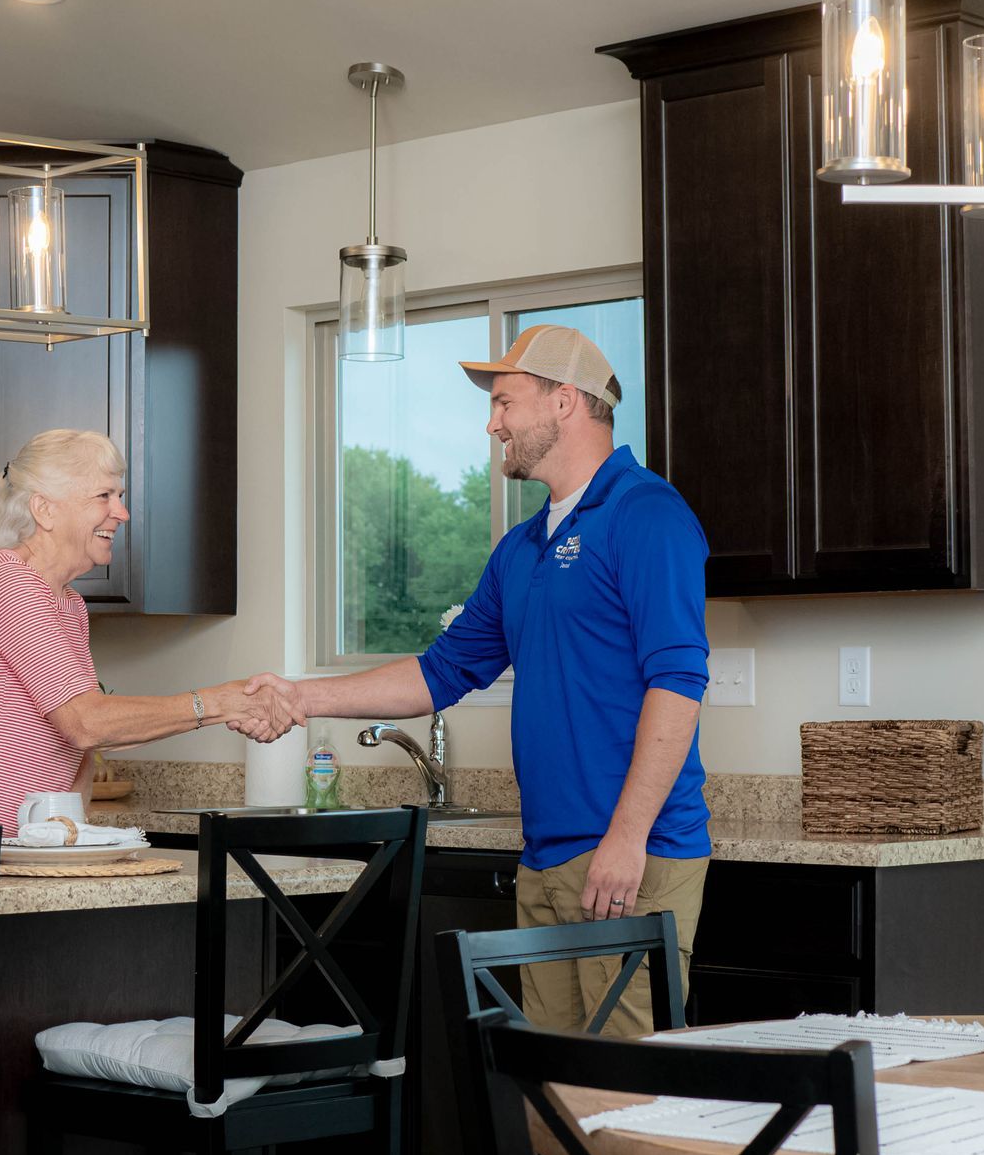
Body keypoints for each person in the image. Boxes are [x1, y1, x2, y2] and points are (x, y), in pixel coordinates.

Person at [253, 325, 710, 1036]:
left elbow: (678, 683)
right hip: (548, 857)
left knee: (625, 1101)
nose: (492, 422)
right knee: (550, 1103)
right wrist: (300, 696)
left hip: (633, 856)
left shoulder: (645, 514)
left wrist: (627, 840)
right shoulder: (523, 548)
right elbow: (440, 673)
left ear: (565, 403)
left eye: (504, 402)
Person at [0, 429, 300, 835]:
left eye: (119, 497)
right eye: (104, 496)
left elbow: (80, 744)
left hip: (18, 843)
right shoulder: (5, 579)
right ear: (45, 510)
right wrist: (220, 703)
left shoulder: (68, 603)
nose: (122, 513)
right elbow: (86, 722)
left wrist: (73, 837)